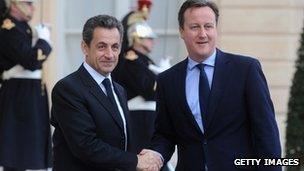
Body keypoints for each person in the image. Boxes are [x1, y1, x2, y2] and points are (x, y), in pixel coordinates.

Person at [141, 0, 282, 170]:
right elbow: (165, 134)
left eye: (208, 26)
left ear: (215, 29)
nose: (203, 34)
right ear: (182, 31)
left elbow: (266, 133)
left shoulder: (246, 70)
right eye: (194, 27)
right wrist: (156, 154)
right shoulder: (168, 80)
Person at [50, 14, 162, 171]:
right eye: (101, 46)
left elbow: (122, 141)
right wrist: (136, 161)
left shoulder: (119, 90)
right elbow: (86, 146)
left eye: (115, 47)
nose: (109, 55)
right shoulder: (68, 89)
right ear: (85, 47)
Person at [0, 0, 52, 171]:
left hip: (31, 92)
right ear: (15, 5)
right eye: (28, 3)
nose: (33, 7)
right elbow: (31, 61)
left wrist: (38, 39)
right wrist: (43, 41)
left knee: (31, 147)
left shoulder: (24, 28)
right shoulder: (8, 28)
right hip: (18, 93)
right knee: (17, 151)